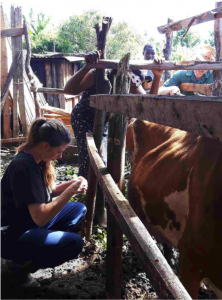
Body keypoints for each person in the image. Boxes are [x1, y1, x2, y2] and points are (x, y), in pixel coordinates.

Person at [1, 118, 88, 287]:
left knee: (78, 209)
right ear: (45, 145)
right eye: (59, 151)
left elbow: (50, 191)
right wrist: (70, 192)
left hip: (28, 220)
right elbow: (40, 217)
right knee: (73, 244)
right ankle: (20, 267)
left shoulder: (35, 159)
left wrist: (71, 184)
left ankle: (38, 244)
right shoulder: (25, 167)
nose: (60, 156)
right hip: (10, 233)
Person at [64, 50, 163, 180]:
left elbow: (148, 105)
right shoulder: (98, 74)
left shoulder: (133, 84)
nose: (135, 88)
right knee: (88, 157)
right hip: (83, 117)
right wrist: (87, 66)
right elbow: (69, 90)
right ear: (124, 76)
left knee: (102, 157)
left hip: (104, 121)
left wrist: (157, 76)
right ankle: (84, 187)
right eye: (134, 84)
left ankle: (96, 187)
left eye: (136, 85)